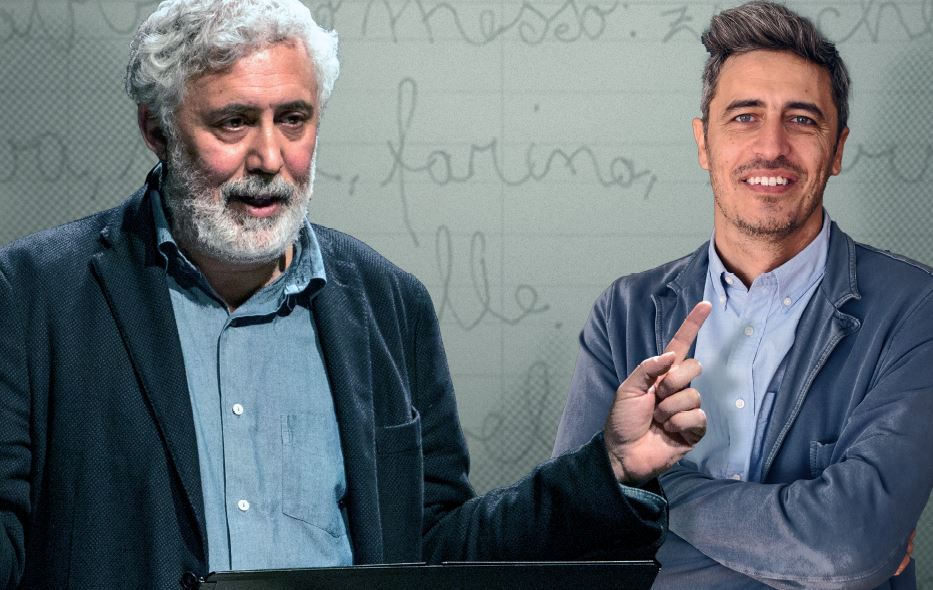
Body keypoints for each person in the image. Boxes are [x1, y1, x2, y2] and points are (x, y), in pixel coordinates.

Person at [0, 0, 709, 587]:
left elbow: (434, 549)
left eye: (294, 119)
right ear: (157, 129)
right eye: (233, 122)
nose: (269, 157)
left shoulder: (390, 303)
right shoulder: (32, 296)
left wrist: (611, 468)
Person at [552, 2, 933, 589]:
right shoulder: (623, 313)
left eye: (802, 119)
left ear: (837, 150)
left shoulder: (915, 309)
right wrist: (806, 537)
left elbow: (848, 547)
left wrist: (641, 482)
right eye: (744, 116)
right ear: (703, 142)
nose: (771, 146)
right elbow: (572, 540)